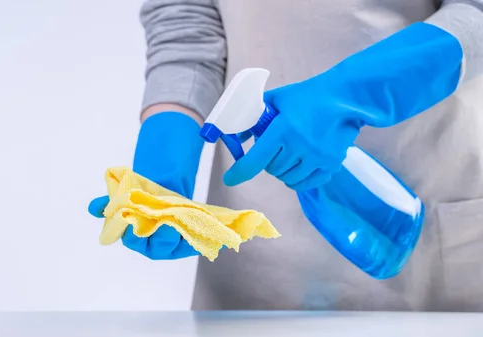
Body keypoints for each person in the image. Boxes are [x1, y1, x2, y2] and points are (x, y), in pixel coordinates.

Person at [89, 0, 483, 311]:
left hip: (425, 226)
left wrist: (353, 92)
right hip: (259, 270)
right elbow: (185, 30)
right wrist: (163, 170)